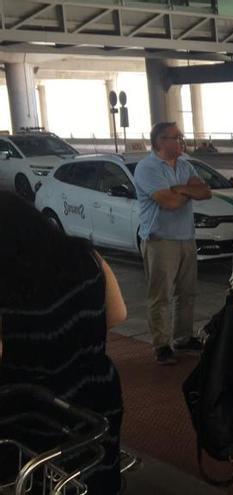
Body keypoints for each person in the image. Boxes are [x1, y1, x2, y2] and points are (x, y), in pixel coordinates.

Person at [0, 192, 127, 493]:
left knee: (41, 481)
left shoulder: (6, 282)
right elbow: (117, 314)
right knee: (95, 470)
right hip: (97, 391)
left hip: (31, 414)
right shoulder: (86, 256)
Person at [134, 122, 212, 365]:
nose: (181, 141)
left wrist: (181, 189)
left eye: (181, 136)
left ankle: (183, 337)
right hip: (161, 240)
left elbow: (205, 192)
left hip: (186, 237)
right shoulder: (147, 168)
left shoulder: (185, 164)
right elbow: (170, 202)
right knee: (161, 296)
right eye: (176, 137)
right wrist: (186, 191)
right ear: (160, 142)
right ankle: (162, 344)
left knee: (186, 293)